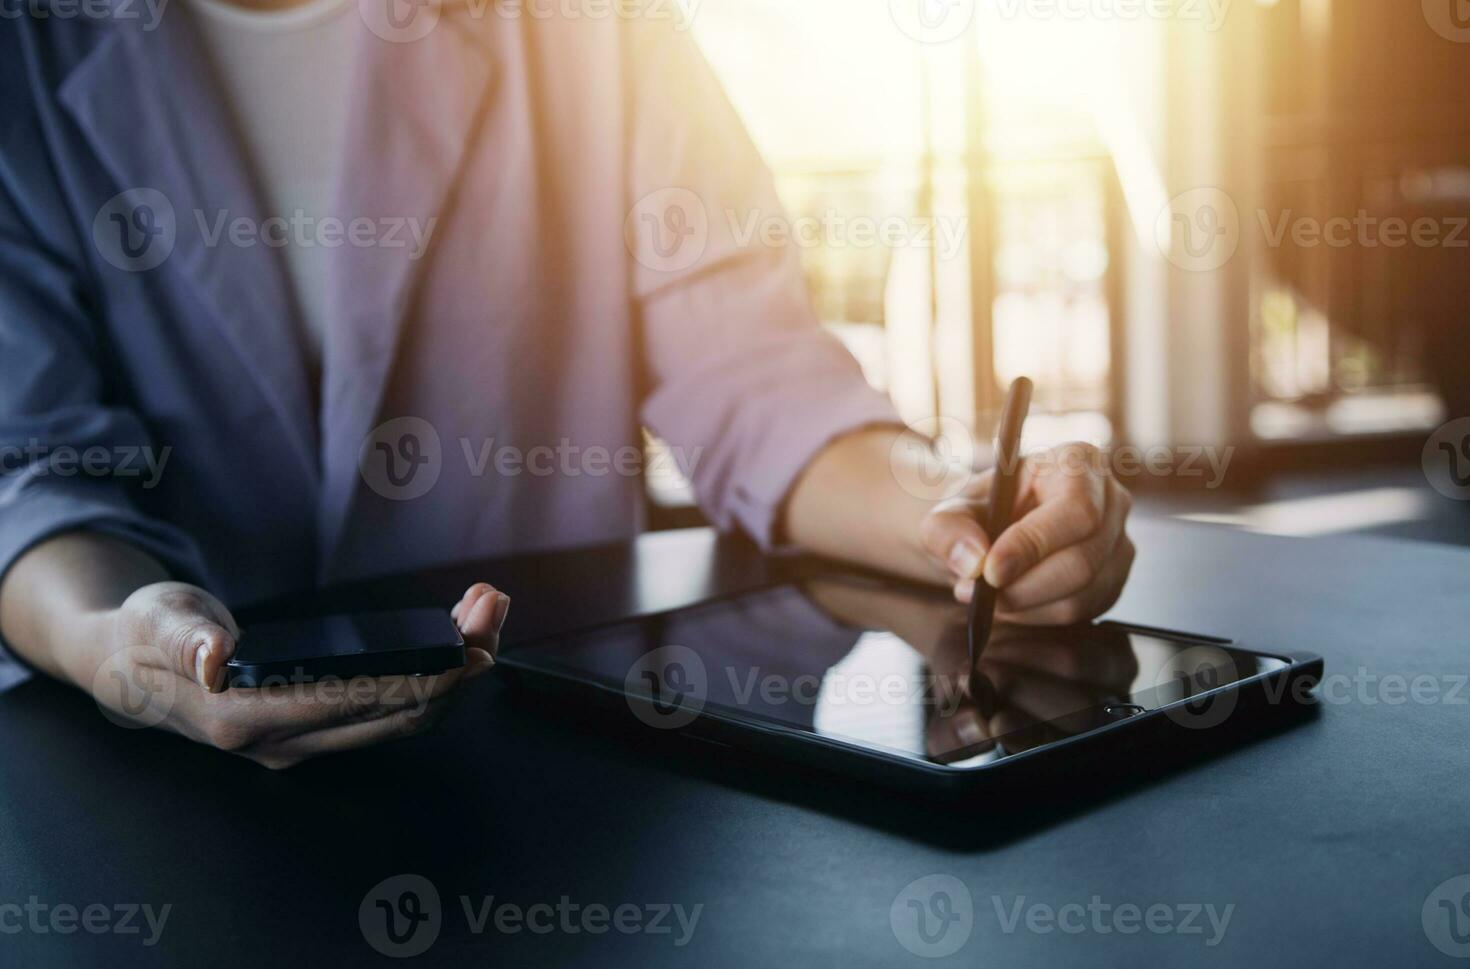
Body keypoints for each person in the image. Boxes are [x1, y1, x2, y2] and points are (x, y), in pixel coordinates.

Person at [0, 0, 1134, 768]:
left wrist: (954, 507)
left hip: (555, 766)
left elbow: (756, 375)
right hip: (149, 789)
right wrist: (116, 639)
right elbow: (30, 473)